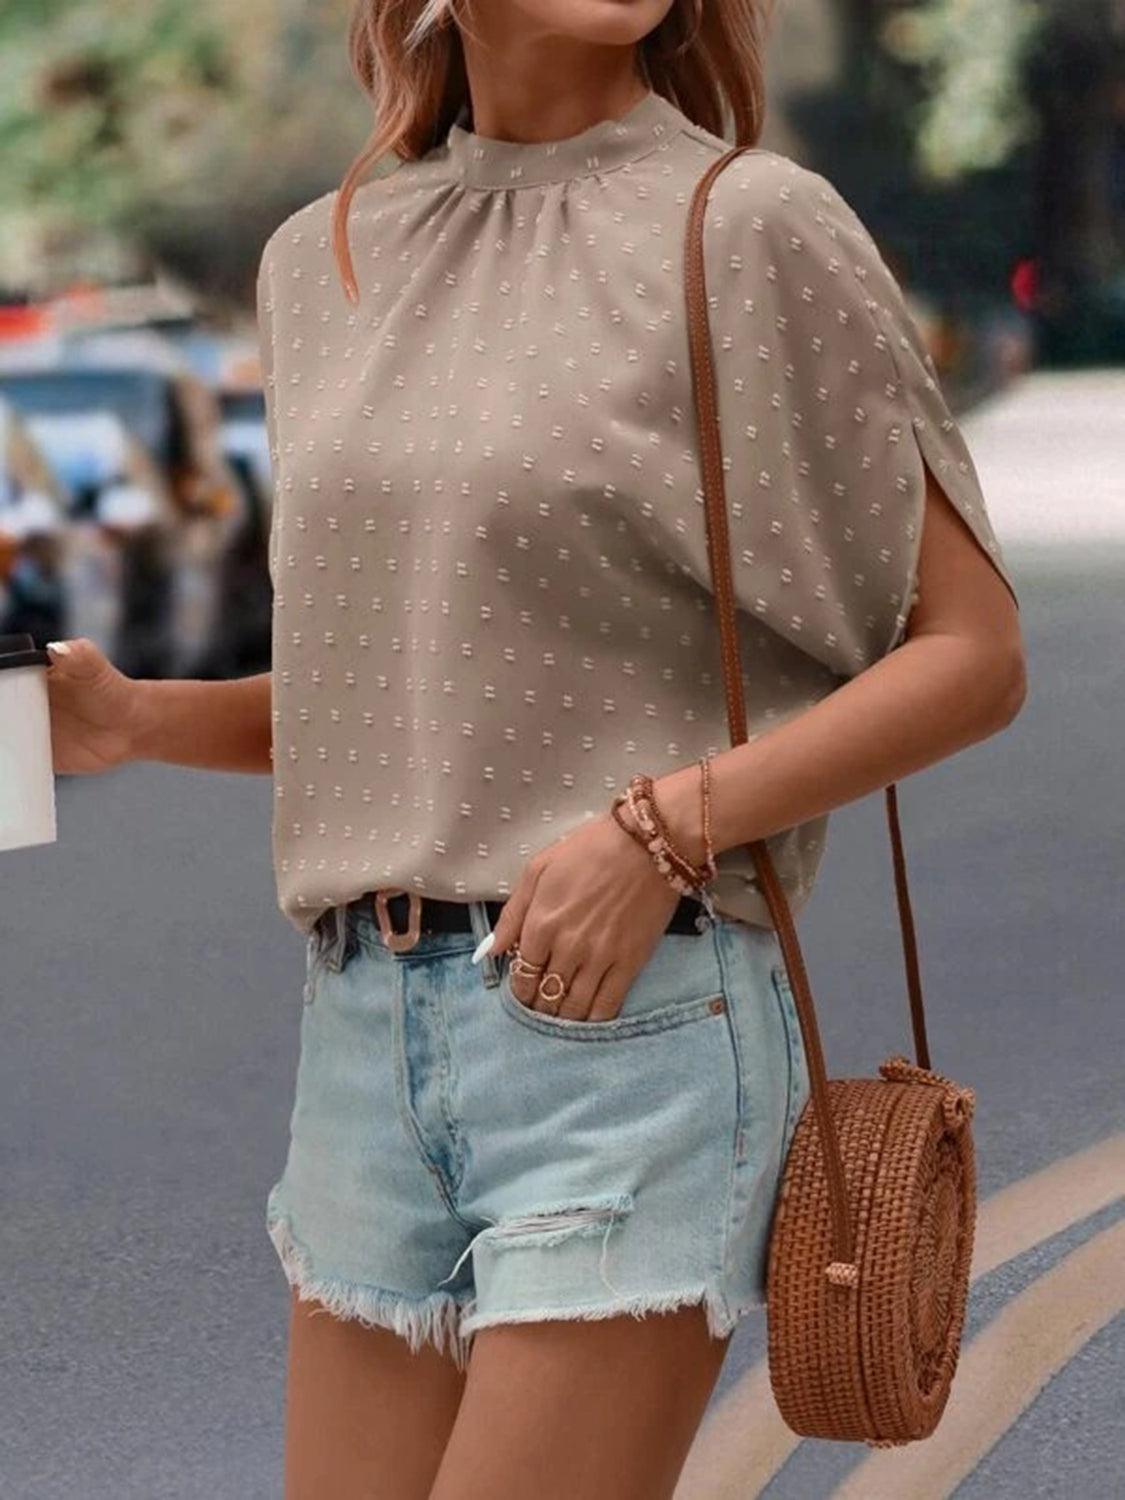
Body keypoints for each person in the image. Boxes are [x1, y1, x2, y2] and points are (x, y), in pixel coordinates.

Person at [42, 3, 1026, 1496]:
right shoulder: (323, 260)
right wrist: (133, 719)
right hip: (366, 1043)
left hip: (632, 1040)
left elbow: (971, 654)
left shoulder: (745, 224)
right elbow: (411, 694)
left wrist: (667, 827)